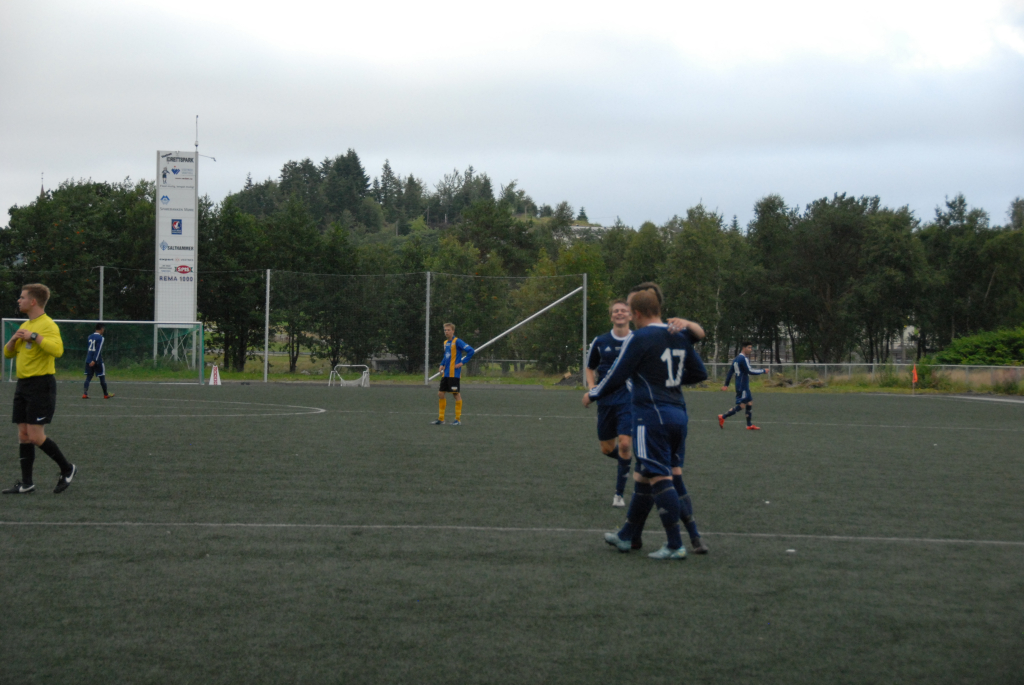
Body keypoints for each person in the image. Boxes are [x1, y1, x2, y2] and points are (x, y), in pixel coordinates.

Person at [584, 283, 709, 559]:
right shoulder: (678, 334)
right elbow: (700, 373)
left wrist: (593, 394)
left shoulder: (639, 338)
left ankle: (675, 544)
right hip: (678, 414)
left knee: (660, 477)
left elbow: (617, 374)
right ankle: (628, 535)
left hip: (651, 416)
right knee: (644, 474)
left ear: (637, 313)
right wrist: (668, 380)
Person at [2, 284, 76, 495]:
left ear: (33, 301)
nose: (19, 300)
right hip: (23, 385)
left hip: (41, 385)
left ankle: (67, 468)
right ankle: (27, 483)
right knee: (24, 434)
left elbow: (58, 350)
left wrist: (34, 337)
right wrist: (13, 339)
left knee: (35, 436)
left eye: (22, 297)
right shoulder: (25, 324)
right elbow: (8, 354)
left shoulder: (48, 325)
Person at [433, 323, 475, 426]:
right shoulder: (446, 343)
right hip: (446, 374)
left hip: (454, 374)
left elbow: (471, 351)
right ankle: (441, 419)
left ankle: (457, 419)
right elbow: (446, 356)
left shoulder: (457, 341)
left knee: (456, 394)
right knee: (440, 394)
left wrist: (462, 362)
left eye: (448, 330)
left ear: (453, 331)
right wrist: (442, 364)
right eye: (445, 330)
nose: (446, 332)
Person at [718, 341, 767, 430]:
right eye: (749, 347)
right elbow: (750, 371)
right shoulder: (743, 358)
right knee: (742, 405)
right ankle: (723, 416)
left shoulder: (736, 359)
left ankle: (749, 424)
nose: (750, 349)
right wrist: (763, 371)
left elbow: (730, 372)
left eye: (751, 348)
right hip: (742, 385)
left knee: (749, 402)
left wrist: (726, 384)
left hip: (741, 384)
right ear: (744, 348)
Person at [83, 323, 113, 399]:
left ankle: (85, 393)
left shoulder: (89, 336)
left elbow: (90, 350)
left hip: (88, 360)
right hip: (97, 361)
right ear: (101, 329)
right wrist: (94, 360)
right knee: (102, 377)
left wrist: (90, 360)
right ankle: (105, 394)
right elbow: (98, 350)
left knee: (88, 377)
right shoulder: (101, 338)